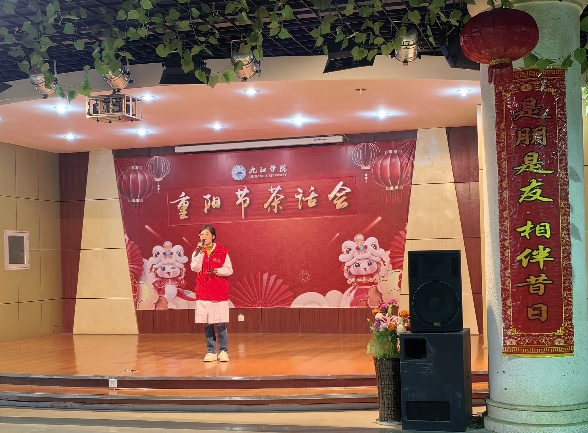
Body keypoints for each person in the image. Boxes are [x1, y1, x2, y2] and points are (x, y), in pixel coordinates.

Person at [191, 224, 233, 362]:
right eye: (202, 234)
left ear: (213, 236)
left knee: (220, 323)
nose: (204, 236)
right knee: (208, 322)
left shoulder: (222, 251)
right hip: (204, 291)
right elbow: (194, 267)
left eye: (207, 234)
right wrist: (199, 253)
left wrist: (217, 271)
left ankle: (223, 351)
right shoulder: (197, 251)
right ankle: (211, 351)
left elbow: (229, 270)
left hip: (218, 291)